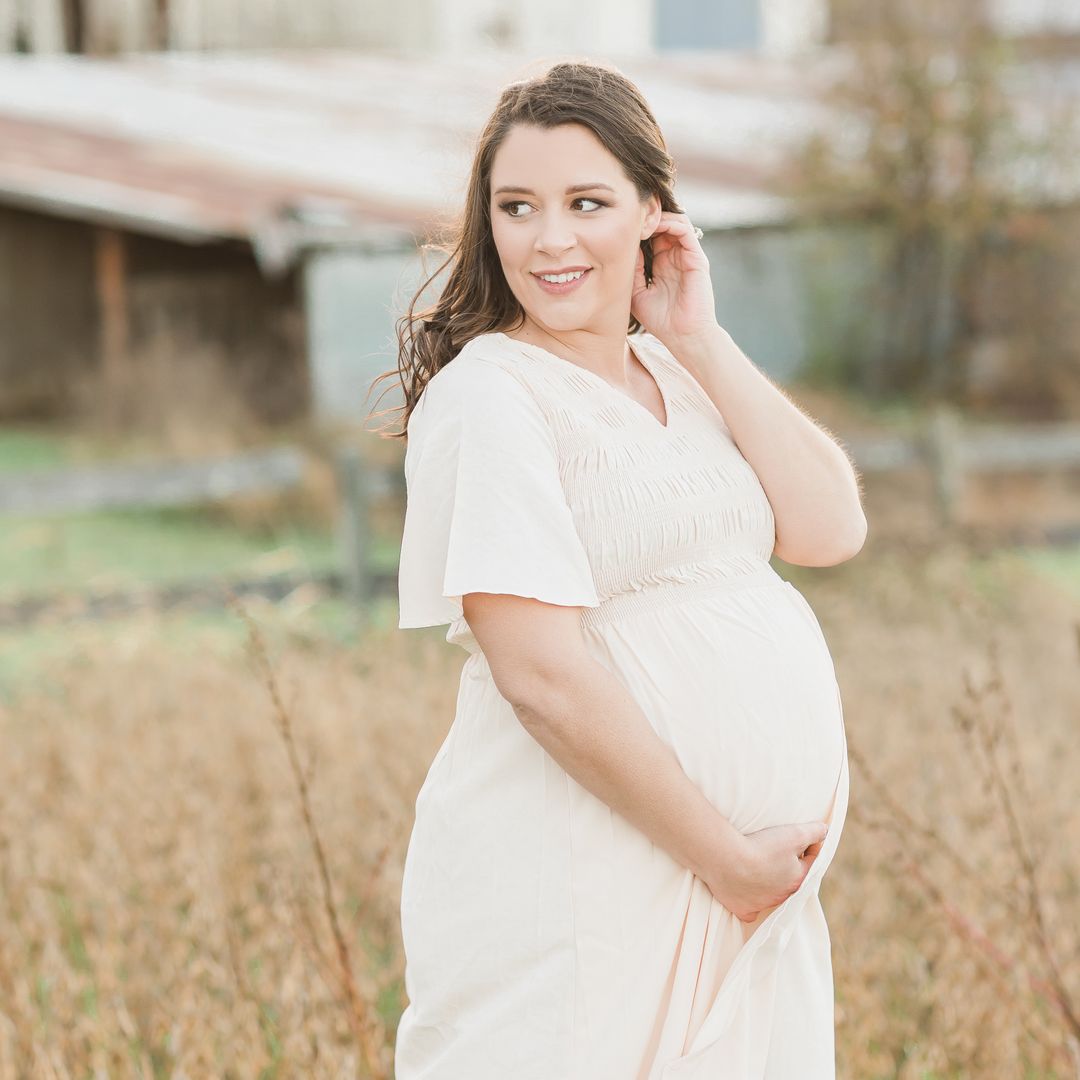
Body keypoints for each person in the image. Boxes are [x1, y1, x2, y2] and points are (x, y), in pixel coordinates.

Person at [389, 58, 866, 1080]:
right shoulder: (493, 396)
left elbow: (831, 528)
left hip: (732, 897)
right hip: (590, 882)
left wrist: (701, 337)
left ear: (654, 210)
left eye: (586, 202)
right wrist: (726, 859)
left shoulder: (676, 374)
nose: (548, 238)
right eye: (517, 206)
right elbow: (542, 677)